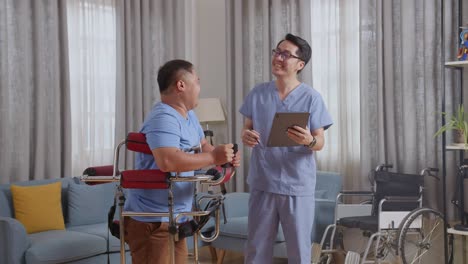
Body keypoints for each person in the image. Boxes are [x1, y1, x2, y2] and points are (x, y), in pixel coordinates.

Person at [123, 59, 240, 264]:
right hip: (153, 220)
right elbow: (167, 161)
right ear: (181, 85)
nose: (199, 87)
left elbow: (204, 147)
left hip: (176, 217)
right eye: (197, 81)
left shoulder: (189, 115)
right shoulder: (163, 118)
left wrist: (223, 158)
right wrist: (214, 157)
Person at [239, 33, 333, 264]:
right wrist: (246, 136)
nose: (278, 58)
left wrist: (308, 140)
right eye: (277, 52)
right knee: (257, 249)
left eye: (285, 54)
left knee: (299, 251)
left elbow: (319, 142)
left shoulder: (311, 98)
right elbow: (246, 130)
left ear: (300, 64)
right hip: (263, 181)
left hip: (296, 185)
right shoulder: (258, 93)